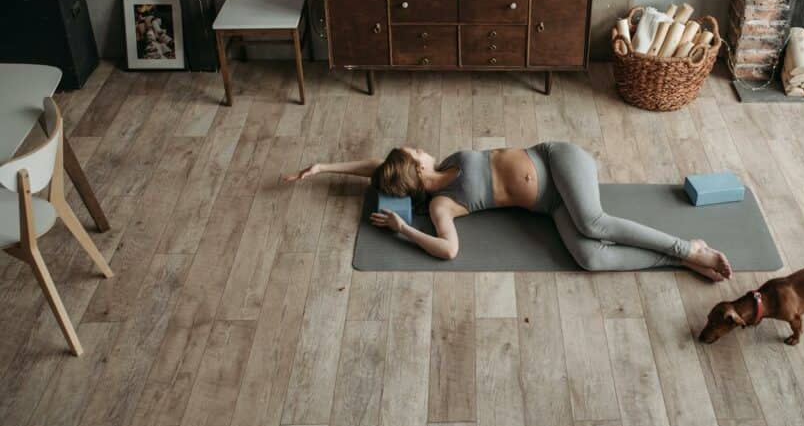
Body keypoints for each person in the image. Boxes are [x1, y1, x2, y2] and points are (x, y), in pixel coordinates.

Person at [284, 142, 732, 280]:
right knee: (591, 258)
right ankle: (679, 258)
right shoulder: (442, 205)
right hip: (551, 203)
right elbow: (448, 252)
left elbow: (375, 167)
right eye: (415, 153)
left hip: (558, 160)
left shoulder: (443, 163)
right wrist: (404, 228)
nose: (420, 147)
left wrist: (323, 166)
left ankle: (688, 249)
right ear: (415, 171)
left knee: (595, 223)